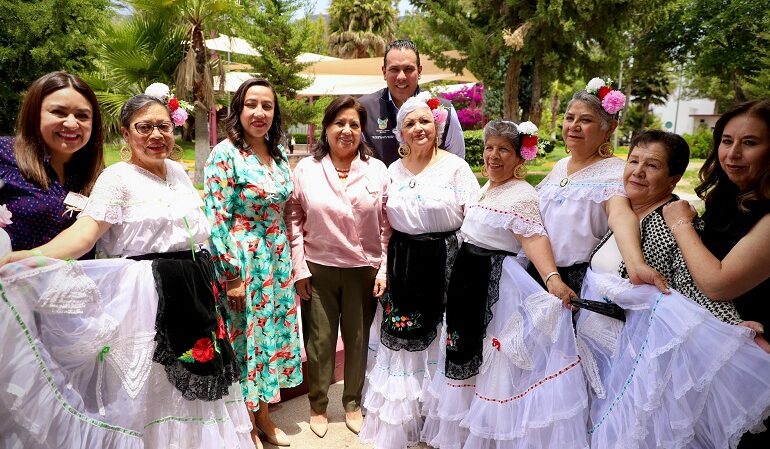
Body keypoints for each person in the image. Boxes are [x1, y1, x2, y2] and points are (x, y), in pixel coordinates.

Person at [0, 93, 253, 449]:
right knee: (153, 393)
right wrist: (31, 256)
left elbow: (200, 235)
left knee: (197, 391)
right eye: (144, 127)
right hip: (147, 303)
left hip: (197, 297)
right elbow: (86, 232)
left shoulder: (178, 174)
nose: (155, 135)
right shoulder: (116, 177)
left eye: (163, 126)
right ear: (126, 133)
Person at [578, 129, 770, 448]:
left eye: (652, 166)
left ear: (673, 178)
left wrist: (733, 325)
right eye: (633, 161)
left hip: (638, 359)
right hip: (601, 349)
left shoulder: (669, 226)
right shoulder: (622, 208)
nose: (638, 171)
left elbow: (692, 281)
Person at [421, 120, 589, 449]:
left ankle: (491, 437)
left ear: (518, 158)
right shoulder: (488, 188)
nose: (493, 156)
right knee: (467, 353)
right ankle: (466, 429)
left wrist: (552, 278)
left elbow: (534, 238)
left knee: (493, 364)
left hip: (494, 289)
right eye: (488, 148)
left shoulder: (522, 194)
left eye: (503, 150)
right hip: (467, 284)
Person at [358, 92, 479, 449]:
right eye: (409, 123)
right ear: (400, 133)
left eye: (424, 121)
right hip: (403, 262)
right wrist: (383, 269)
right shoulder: (391, 171)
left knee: (441, 336)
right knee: (404, 341)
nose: (418, 128)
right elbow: (385, 226)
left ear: (437, 126)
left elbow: (473, 218)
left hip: (447, 261)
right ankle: (405, 420)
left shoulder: (456, 167)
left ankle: (438, 422)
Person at [662, 100, 770, 448]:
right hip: (716, 349)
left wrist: (679, 224)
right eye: (726, 141)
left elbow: (718, 282)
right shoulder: (729, 197)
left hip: (756, 364)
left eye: (750, 142)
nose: (733, 153)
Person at [204, 78, 302, 448]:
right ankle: (247, 419)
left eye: (267, 106)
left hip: (275, 262)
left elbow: (283, 211)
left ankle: (263, 413)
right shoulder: (224, 153)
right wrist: (230, 276)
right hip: (243, 261)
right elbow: (215, 217)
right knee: (246, 339)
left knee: (268, 337)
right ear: (238, 109)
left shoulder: (276, 154)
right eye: (251, 104)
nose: (259, 112)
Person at [285, 96, 391, 438]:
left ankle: (352, 403)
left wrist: (384, 268)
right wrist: (299, 268)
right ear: (327, 128)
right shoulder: (307, 169)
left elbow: (388, 225)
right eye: (339, 123)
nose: (346, 131)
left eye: (354, 125)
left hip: (364, 269)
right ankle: (318, 405)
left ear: (362, 132)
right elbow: (293, 218)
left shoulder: (377, 170)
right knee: (319, 341)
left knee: (358, 341)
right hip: (319, 269)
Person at [533, 77, 665, 294]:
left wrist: (636, 264)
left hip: (576, 284)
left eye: (585, 120)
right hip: (541, 273)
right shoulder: (560, 166)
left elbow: (620, 215)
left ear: (609, 128)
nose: (574, 126)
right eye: (569, 118)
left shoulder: (614, 172)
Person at [0, 71, 103, 252]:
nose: (72, 124)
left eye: (82, 116)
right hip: (11, 277)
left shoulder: (99, 176)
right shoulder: (4, 155)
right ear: (34, 114)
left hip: (78, 279)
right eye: (58, 112)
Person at [359, 39, 465, 166]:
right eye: (394, 69)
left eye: (408, 69)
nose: (401, 77)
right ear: (384, 72)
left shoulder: (444, 110)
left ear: (419, 71)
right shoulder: (364, 110)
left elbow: (457, 162)